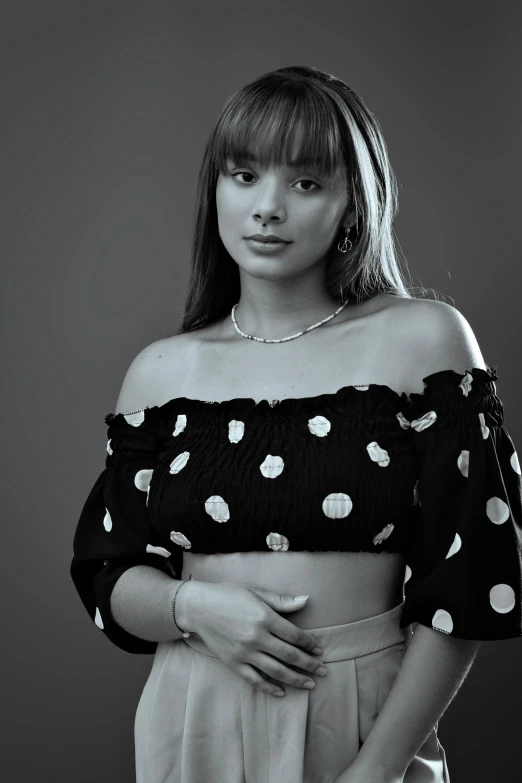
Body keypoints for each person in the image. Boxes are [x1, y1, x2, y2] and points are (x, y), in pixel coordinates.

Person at [70, 65, 522, 783]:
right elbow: (106, 571)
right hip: (193, 714)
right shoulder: (162, 370)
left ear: (353, 205)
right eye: (243, 176)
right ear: (215, 189)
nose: (267, 208)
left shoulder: (425, 341)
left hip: (368, 717)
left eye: (306, 183)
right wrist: (193, 606)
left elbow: (473, 578)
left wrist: (378, 768)